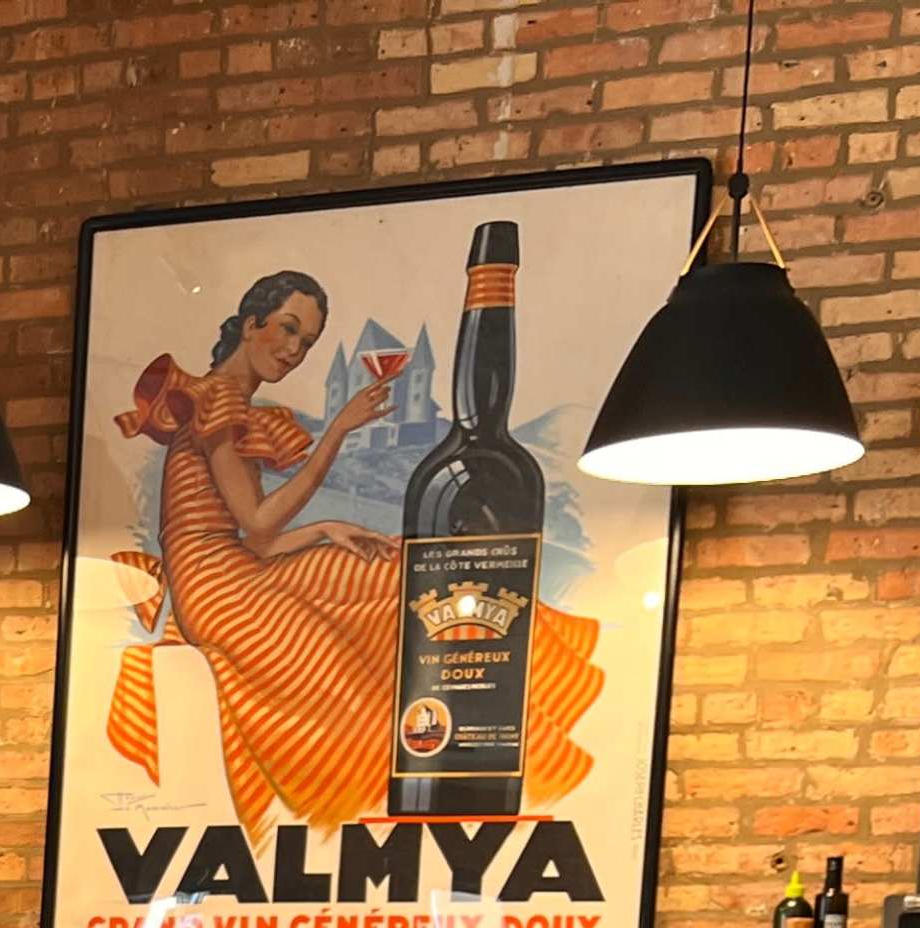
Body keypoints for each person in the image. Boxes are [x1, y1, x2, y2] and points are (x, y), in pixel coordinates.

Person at [109, 266, 603, 830]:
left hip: (237, 568)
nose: (295, 351)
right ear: (251, 323)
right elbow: (260, 523)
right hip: (217, 591)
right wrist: (338, 431)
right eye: (288, 330)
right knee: (363, 625)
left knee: (385, 566)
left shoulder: (231, 404)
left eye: (309, 341)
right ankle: (429, 767)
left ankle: (495, 730)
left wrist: (327, 531)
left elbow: (256, 541)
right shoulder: (217, 400)